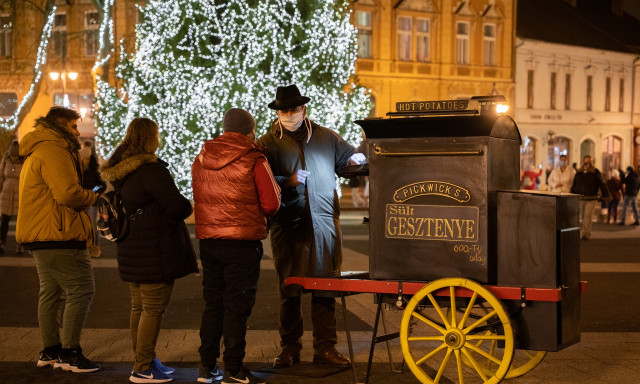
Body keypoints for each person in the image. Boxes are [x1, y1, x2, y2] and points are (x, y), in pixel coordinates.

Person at [257, 84, 365, 369]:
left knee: (325, 287)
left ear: (304, 109)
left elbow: (347, 162)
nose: (289, 114)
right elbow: (261, 183)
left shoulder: (326, 136)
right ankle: (290, 348)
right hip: (289, 225)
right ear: (278, 112)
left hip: (325, 222)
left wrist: (355, 159)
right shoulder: (267, 142)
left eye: (293, 109)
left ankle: (325, 348)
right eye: (284, 110)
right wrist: (287, 181)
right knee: (289, 289)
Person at [100, 117, 196, 383]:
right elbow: (178, 207)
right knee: (152, 309)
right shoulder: (151, 171)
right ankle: (142, 367)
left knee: (139, 307)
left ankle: (145, 359)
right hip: (155, 249)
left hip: (133, 247)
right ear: (150, 138)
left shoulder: (124, 171)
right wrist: (187, 203)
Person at [192, 108, 281, 384]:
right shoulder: (254, 158)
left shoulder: (202, 158)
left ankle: (207, 367)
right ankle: (234, 369)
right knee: (237, 306)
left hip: (209, 241)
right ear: (250, 131)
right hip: (242, 243)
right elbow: (272, 204)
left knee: (213, 303)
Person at [16, 106, 100, 372]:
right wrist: (95, 197)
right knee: (81, 289)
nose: (78, 131)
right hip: (59, 231)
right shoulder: (54, 149)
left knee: (50, 293)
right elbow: (68, 194)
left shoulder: (38, 148)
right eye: (74, 126)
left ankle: (50, 350)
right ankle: (70, 353)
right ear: (61, 126)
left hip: (43, 232)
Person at [570, 156, 610, 240]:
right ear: (583, 162)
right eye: (586, 163)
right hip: (581, 198)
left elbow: (602, 183)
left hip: (592, 197)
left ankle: (586, 234)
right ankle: (584, 231)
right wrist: (571, 195)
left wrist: (606, 195)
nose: (587, 165)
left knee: (588, 216)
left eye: (589, 163)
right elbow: (574, 184)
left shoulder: (595, 172)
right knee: (582, 216)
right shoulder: (579, 172)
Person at [79, 141, 106, 258]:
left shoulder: (94, 169)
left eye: (84, 158)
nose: (82, 160)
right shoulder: (78, 169)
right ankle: (84, 248)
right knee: (81, 226)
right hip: (80, 200)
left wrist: (92, 192)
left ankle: (95, 247)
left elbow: (101, 185)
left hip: (92, 201)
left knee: (92, 226)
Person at [0, 140, 24, 254]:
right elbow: (1, 176)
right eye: (12, 156)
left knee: (20, 221)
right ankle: (1, 243)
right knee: (4, 220)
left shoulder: (24, 161)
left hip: (19, 193)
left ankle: (19, 245)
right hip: (6, 192)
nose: (14, 158)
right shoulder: (6, 159)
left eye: (16, 156)